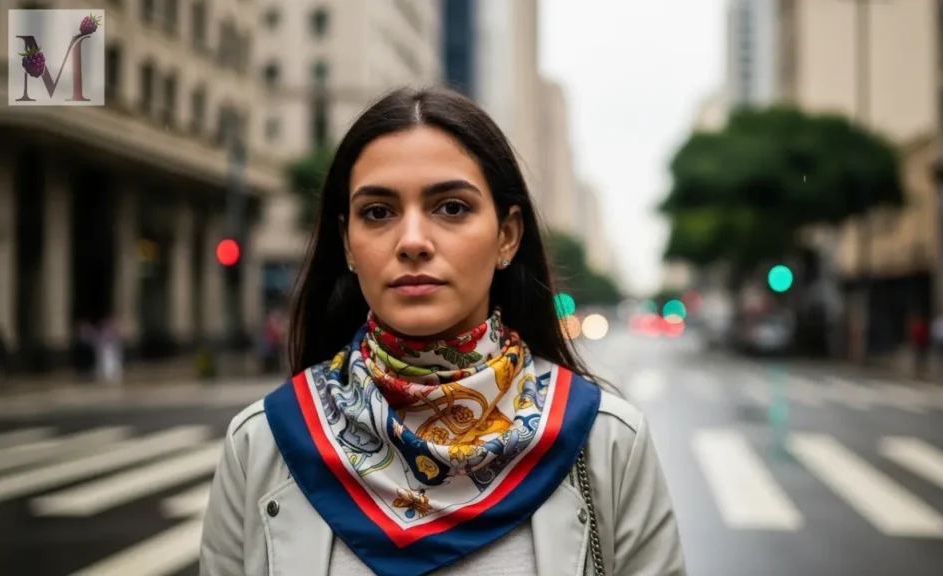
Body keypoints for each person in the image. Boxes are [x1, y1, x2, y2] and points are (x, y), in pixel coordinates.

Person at [199, 86, 685, 576]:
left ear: (507, 235)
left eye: (452, 207)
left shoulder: (605, 442)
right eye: (378, 212)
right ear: (347, 243)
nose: (412, 241)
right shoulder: (264, 443)